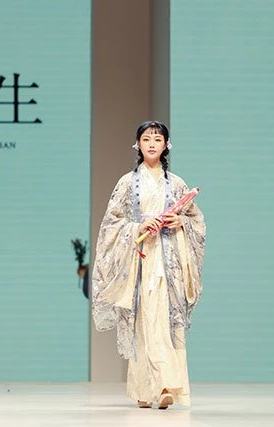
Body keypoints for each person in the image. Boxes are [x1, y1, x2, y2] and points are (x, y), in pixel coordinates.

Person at [91, 121, 205, 410]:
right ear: (138, 145)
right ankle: (145, 388)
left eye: (157, 139)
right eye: (146, 139)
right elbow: (111, 224)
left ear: (166, 145)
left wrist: (181, 222)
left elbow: (197, 221)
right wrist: (138, 225)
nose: (152, 144)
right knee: (144, 322)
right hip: (140, 262)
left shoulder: (176, 184)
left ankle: (166, 386)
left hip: (169, 263)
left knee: (164, 322)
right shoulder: (127, 183)